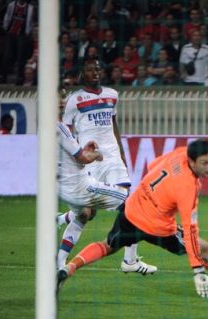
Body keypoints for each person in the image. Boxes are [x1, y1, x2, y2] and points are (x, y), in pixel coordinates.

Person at [57, 139, 208, 299]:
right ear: (192, 160)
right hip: (156, 227)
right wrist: (198, 271)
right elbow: (190, 230)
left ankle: (69, 267)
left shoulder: (179, 153)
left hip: (132, 210)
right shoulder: (189, 187)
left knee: (108, 245)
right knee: (205, 250)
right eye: (205, 163)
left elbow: (153, 167)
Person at [59, 55, 152, 275]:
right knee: (87, 214)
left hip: (111, 158)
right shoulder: (75, 100)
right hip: (91, 158)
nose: (96, 73)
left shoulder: (112, 95)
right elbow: (66, 131)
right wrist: (76, 156)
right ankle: (61, 253)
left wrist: (120, 151)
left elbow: (113, 123)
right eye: (91, 70)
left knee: (131, 204)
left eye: (98, 69)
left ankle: (130, 261)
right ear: (83, 73)